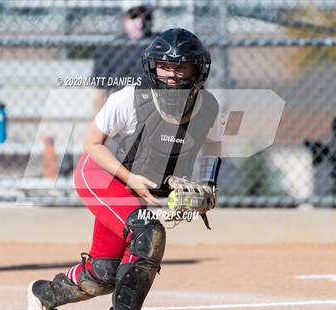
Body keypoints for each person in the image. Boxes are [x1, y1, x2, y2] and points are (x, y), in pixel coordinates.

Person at [27, 28, 224, 310]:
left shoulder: (209, 106)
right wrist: (130, 177)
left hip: (134, 189)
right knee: (148, 233)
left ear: (198, 70)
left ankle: (44, 294)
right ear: (152, 67)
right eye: (164, 66)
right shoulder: (131, 98)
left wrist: (208, 183)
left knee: (103, 275)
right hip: (101, 174)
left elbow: (214, 146)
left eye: (181, 67)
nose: (171, 74)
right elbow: (92, 143)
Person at [92, 3, 155, 114]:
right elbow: (101, 91)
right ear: (124, 19)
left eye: (146, 16)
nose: (140, 23)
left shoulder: (160, 46)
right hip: (119, 107)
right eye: (134, 16)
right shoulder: (110, 49)